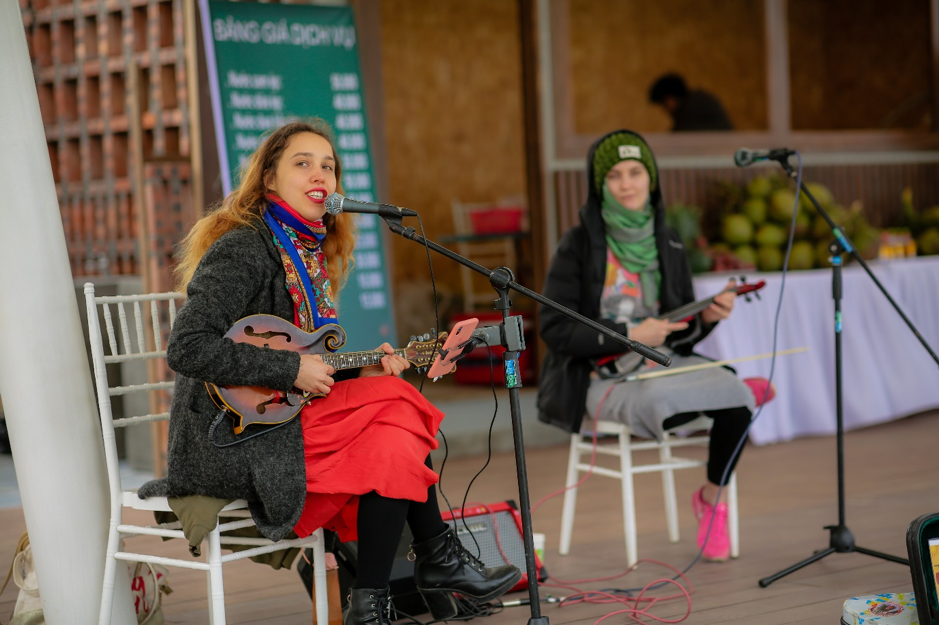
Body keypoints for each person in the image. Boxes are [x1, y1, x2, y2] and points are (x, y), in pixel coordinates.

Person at [138, 119, 520, 624]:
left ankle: (372, 605)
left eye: (329, 165)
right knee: (400, 407)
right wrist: (291, 368)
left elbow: (308, 366)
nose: (320, 173)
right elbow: (187, 347)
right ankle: (437, 557)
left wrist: (355, 373)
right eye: (303, 163)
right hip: (228, 436)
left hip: (281, 420)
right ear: (269, 180)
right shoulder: (245, 247)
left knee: (391, 425)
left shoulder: (307, 253)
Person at [537, 129, 756, 562]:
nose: (627, 183)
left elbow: (680, 331)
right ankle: (706, 387)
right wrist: (629, 335)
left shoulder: (669, 241)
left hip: (660, 365)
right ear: (600, 185)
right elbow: (555, 328)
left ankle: (711, 498)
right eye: (615, 175)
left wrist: (707, 318)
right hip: (599, 376)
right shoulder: (577, 244)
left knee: (739, 401)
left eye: (636, 172)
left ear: (650, 178)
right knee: (663, 394)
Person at [649, 73, 734, 132]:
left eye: (664, 104)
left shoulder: (692, 107)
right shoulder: (697, 101)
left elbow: (679, 138)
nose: (664, 110)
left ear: (670, 99)